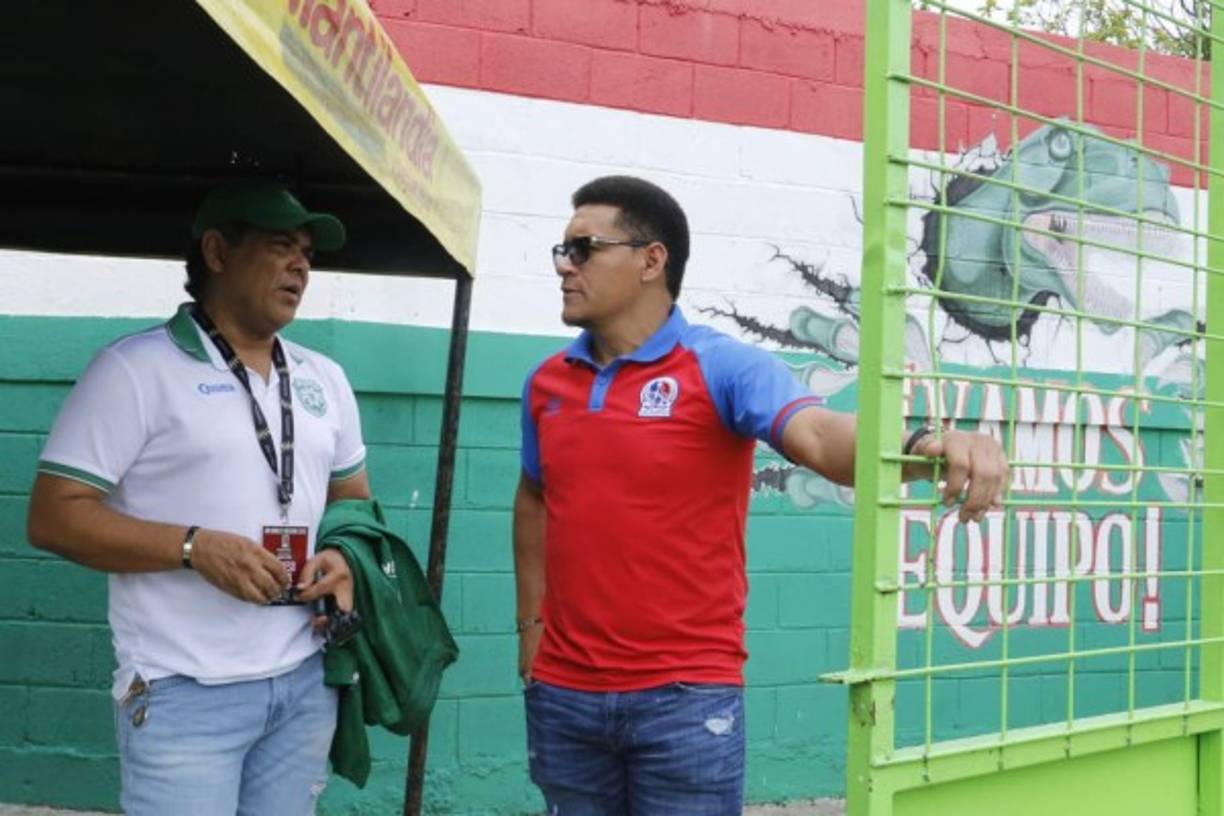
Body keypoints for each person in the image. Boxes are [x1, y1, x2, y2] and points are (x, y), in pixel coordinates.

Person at [514, 175, 1009, 814]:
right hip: (564, 697)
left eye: (582, 248)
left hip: (685, 703)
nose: (564, 266)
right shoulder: (548, 384)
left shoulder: (723, 367)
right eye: (562, 249)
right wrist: (530, 628)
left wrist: (926, 443)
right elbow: (534, 499)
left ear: (650, 260)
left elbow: (821, 438)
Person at [27, 182, 372, 815]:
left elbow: (354, 503)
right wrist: (193, 548)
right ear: (217, 251)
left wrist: (345, 557)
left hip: (302, 683)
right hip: (183, 689)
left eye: (307, 253)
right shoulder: (134, 370)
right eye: (279, 246)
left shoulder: (326, 378)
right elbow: (53, 516)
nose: (301, 265)